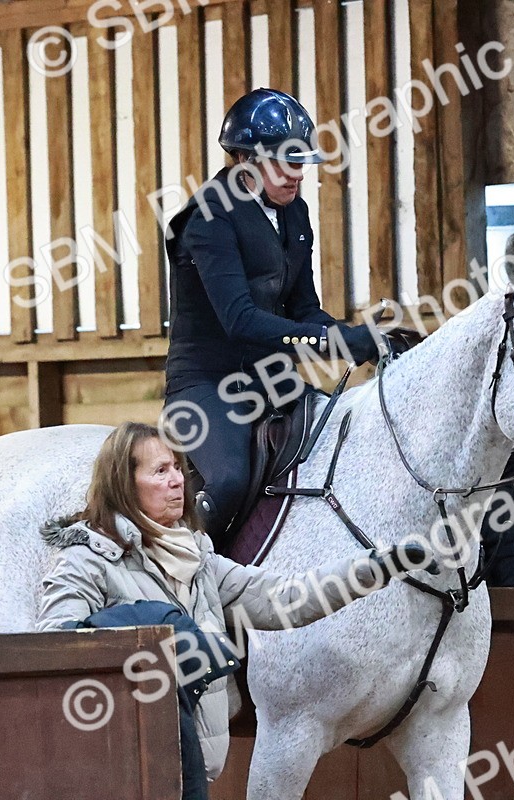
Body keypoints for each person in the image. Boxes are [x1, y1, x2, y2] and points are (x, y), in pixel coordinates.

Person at [35, 421, 435, 794]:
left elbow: (287, 599)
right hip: (115, 764)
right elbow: (53, 647)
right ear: (123, 484)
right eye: (160, 472)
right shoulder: (86, 556)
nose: (178, 480)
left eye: (178, 467)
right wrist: (149, 626)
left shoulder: (197, 557)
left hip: (182, 763)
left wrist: (379, 565)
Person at [163, 88, 382, 545]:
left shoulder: (295, 212)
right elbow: (240, 320)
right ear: (244, 159)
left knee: (340, 443)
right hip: (207, 384)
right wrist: (333, 345)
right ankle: (186, 576)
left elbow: (304, 310)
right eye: (286, 162)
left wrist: (361, 337)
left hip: (272, 376)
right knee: (227, 479)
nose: (298, 174)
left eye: (302, 162)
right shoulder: (208, 217)